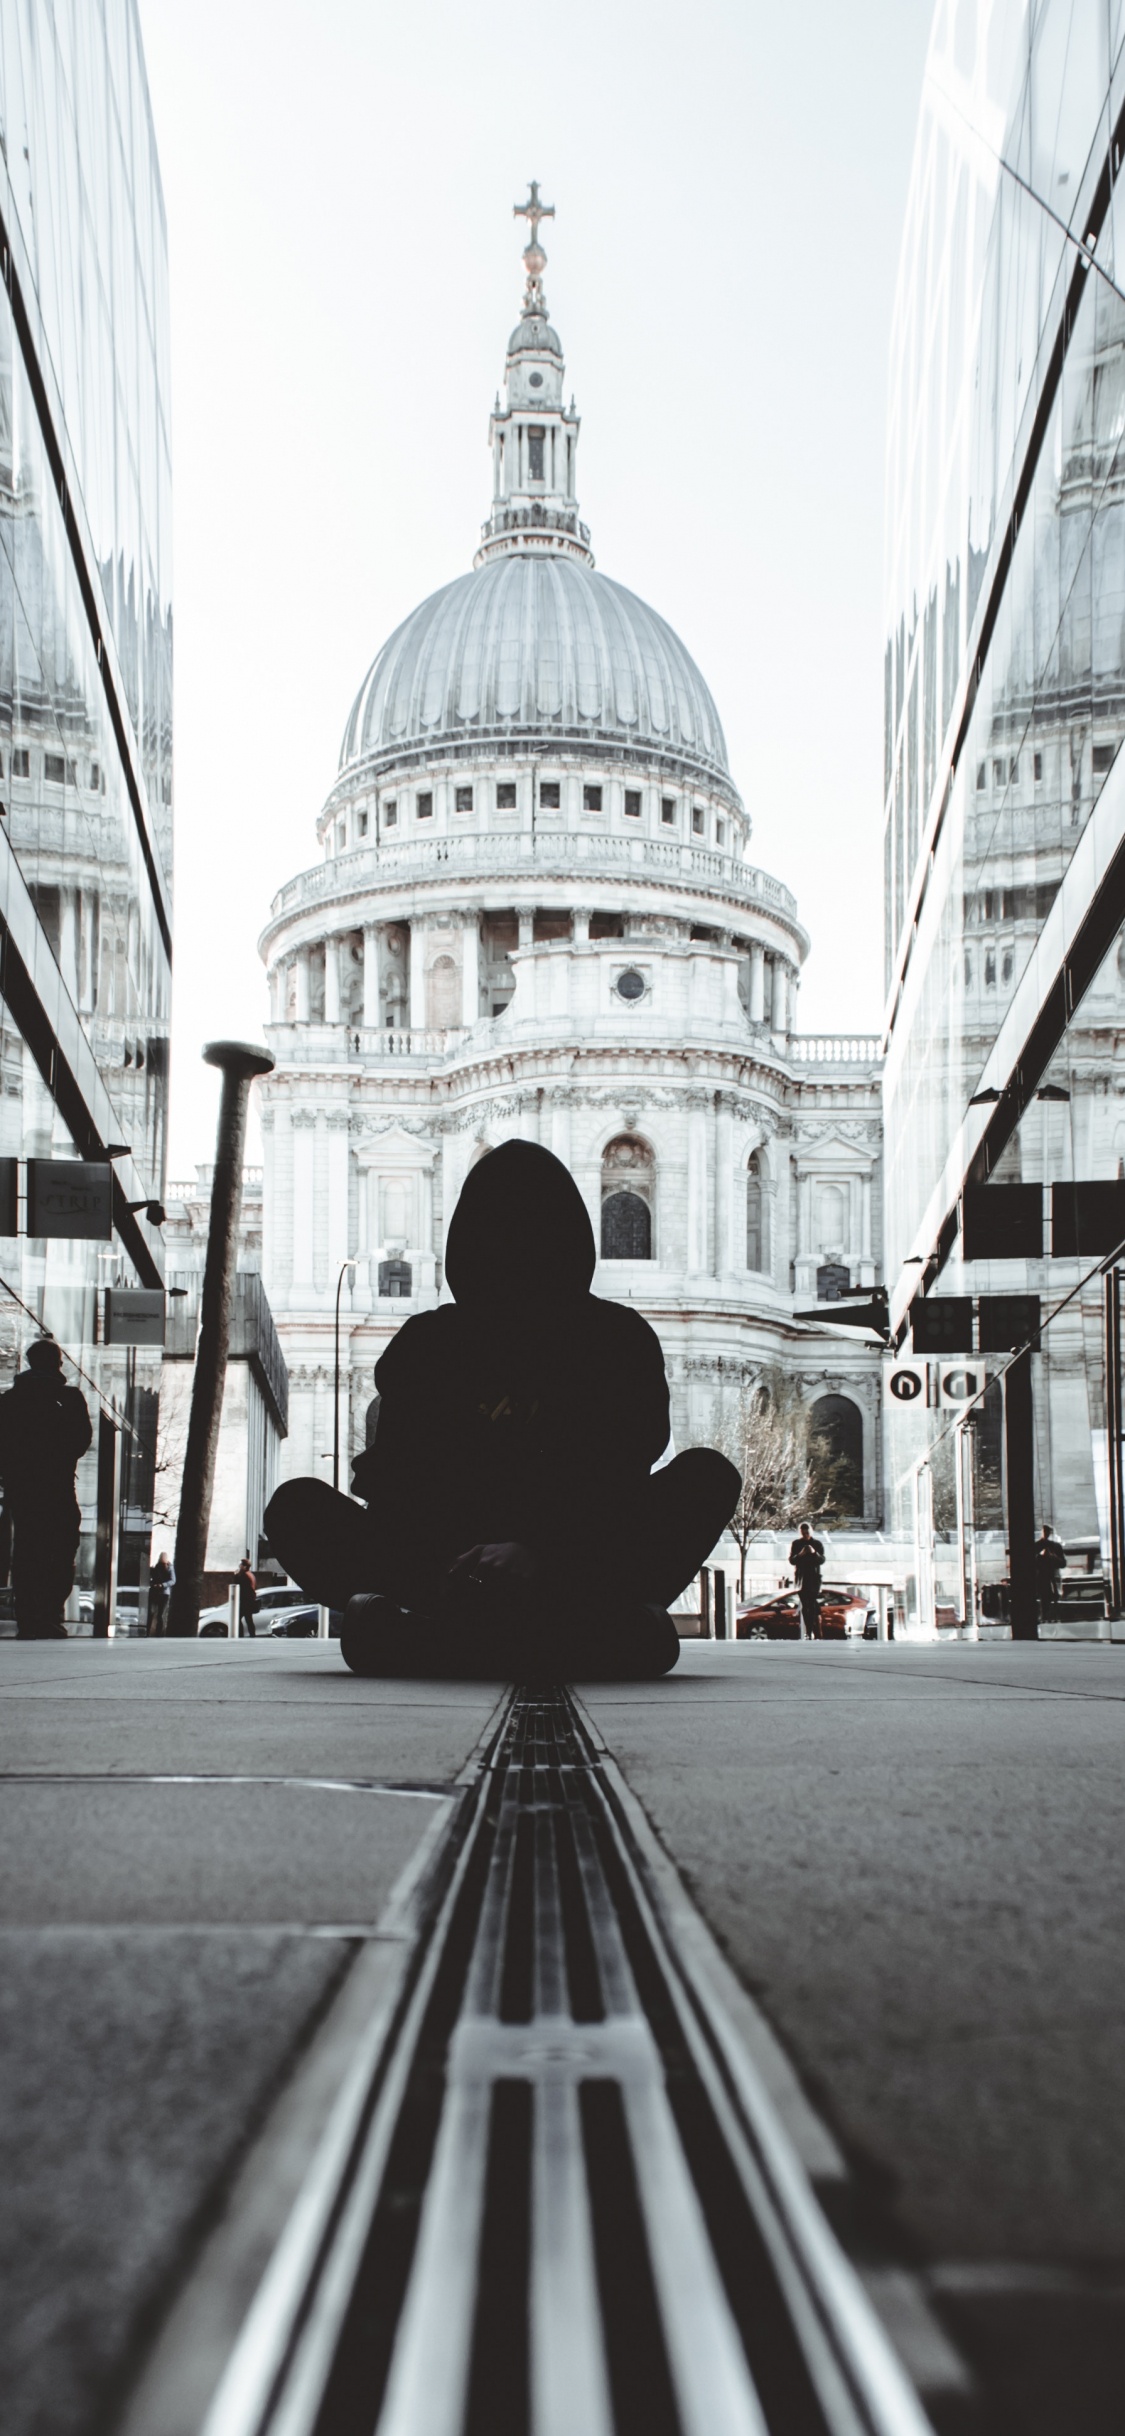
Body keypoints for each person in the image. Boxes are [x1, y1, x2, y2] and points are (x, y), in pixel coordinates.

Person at [265, 1141, 740, 1680]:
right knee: (295, 1505)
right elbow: (620, 1477)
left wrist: (535, 1553)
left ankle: (433, 1641)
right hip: (535, 1578)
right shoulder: (616, 1336)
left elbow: (392, 1482)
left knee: (707, 1476)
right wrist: (505, 1555)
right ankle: (588, 1640)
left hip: (496, 1574)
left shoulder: (434, 1339)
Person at [0, 1340, 92, 1640]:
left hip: (23, 1490)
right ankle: (49, 1613)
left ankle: (28, 1617)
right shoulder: (69, 1397)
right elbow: (81, 1440)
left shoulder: (10, 1400)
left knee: (27, 1551)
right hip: (57, 1487)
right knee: (61, 1549)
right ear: (57, 1363)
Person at [788, 1520, 825, 1639]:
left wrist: (814, 1553)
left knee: (812, 1604)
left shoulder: (817, 1544)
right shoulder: (796, 1544)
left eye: (807, 1533)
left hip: (813, 1578)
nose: (805, 1535)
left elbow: (822, 1560)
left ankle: (811, 1630)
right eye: (803, 1533)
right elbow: (792, 1560)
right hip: (802, 1578)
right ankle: (808, 1631)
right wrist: (801, 1554)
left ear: (811, 1531)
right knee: (805, 1604)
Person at [1035, 1524, 1066, 1623]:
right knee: (1048, 1603)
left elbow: (1062, 1563)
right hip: (1045, 1580)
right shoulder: (1053, 1546)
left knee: (1049, 1603)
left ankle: (1049, 1619)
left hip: (1046, 1579)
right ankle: (1050, 1620)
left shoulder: (1054, 1546)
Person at [146, 1550, 174, 1636]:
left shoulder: (170, 1567)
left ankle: (158, 1634)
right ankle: (147, 1632)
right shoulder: (156, 1567)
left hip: (164, 1592)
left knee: (160, 1614)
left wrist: (162, 1585)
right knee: (151, 1612)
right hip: (155, 1592)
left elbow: (173, 1580)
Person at [237, 1552, 258, 1637]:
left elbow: (238, 1585)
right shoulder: (250, 1574)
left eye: (241, 1565)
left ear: (244, 1566)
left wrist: (236, 1574)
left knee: (238, 1619)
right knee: (249, 1619)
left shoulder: (244, 1575)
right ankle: (252, 1635)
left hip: (245, 1601)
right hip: (249, 1601)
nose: (239, 1566)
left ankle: (240, 1635)